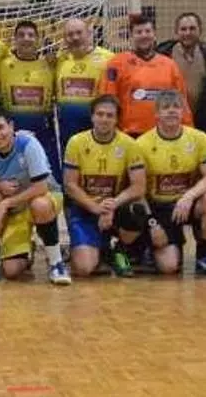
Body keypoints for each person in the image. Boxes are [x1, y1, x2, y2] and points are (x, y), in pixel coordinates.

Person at [135, 90, 206, 277]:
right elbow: (137, 191)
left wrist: (188, 197)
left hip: (189, 204)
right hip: (160, 208)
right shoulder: (142, 144)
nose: (171, 111)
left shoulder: (199, 138)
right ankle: (151, 247)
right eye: (166, 107)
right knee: (169, 267)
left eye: (176, 107)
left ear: (183, 111)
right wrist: (152, 223)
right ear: (156, 114)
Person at [0, 107, 71, 284]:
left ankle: (56, 263)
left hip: (45, 195)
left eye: (0, 127)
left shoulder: (28, 144)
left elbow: (41, 187)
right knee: (10, 271)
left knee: (39, 204)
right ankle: (26, 251)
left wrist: (6, 203)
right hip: (18, 207)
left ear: (11, 126)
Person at [62, 95, 146, 277]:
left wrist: (112, 205)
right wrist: (97, 208)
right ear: (92, 117)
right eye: (100, 114)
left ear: (117, 119)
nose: (104, 119)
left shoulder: (129, 144)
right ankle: (99, 249)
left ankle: (119, 249)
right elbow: (70, 186)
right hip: (85, 207)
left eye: (110, 115)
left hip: (115, 207)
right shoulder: (76, 142)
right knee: (84, 268)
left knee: (138, 208)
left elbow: (139, 187)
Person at [98, 14, 192, 137]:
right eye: (139, 32)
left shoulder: (170, 65)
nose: (144, 35)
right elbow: (107, 100)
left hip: (164, 134)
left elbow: (181, 101)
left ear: (154, 35)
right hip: (129, 134)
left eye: (147, 31)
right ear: (131, 36)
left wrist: (188, 131)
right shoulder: (117, 63)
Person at [0, 20, 61, 183]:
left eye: (31, 35)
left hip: (43, 130)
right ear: (14, 39)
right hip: (13, 130)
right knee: (15, 178)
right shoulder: (3, 65)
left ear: (38, 40)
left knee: (49, 177)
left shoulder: (50, 64)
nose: (26, 38)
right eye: (21, 35)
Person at [55, 18, 115, 151]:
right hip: (68, 134)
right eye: (70, 34)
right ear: (64, 39)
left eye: (79, 32)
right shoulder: (59, 60)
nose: (75, 37)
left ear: (89, 33)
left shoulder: (109, 59)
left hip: (99, 133)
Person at [156, 12, 206, 109]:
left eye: (192, 28)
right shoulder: (164, 54)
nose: (188, 33)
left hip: (203, 115)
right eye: (183, 29)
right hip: (174, 114)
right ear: (176, 32)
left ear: (200, 31)